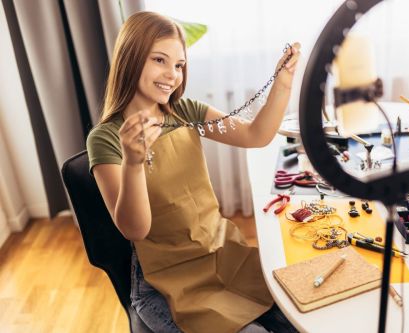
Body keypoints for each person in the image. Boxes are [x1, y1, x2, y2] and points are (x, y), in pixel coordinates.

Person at [87, 11, 301, 333]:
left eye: (179, 65)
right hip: (167, 280)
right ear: (130, 58)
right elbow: (135, 229)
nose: (172, 74)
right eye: (159, 60)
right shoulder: (105, 139)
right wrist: (133, 162)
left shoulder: (186, 112)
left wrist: (283, 83)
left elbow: (255, 135)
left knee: (299, 311)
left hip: (222, 254)